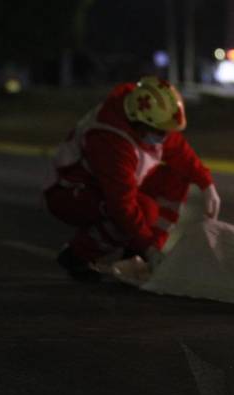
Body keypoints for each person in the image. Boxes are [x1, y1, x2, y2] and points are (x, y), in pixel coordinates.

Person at [44, 76, 221, 281]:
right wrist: (149, 249)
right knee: (142, 210)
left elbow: (179, 151)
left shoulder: (146, 120)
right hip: (70, 193)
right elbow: (122, 205)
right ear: (139, 123)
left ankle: (138, 255)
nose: (165, 137)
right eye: (160, 132)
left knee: (178, 175)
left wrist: (206, 184)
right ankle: (77, 256)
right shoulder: (111, 141)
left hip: (102, 186)